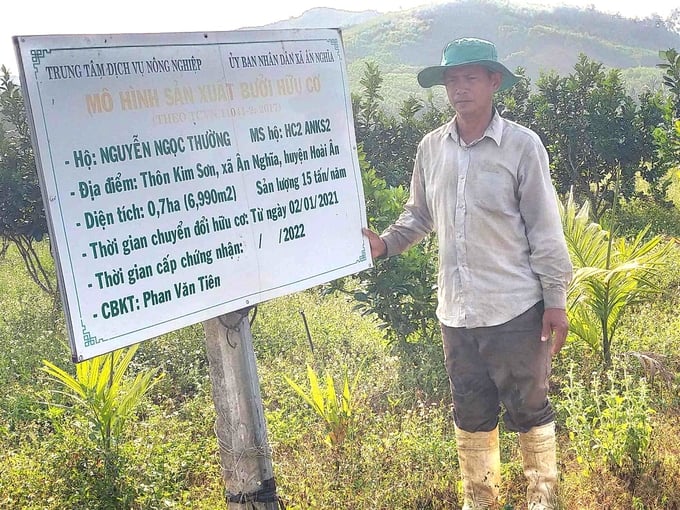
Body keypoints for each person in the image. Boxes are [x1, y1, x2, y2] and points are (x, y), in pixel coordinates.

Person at [362, 38, 573, 510]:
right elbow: (417, 216)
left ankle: (543, 499)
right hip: (456, 314)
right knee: (471, 413)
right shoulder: (431, 148)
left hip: (515, 308)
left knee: (529, 410)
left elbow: (545, 228)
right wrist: (384, 244)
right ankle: (480, 501)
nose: (459, 88)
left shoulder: (522, 146)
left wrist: (555, 300)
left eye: (470, 78)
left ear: (494, 82)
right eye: (452, 80)